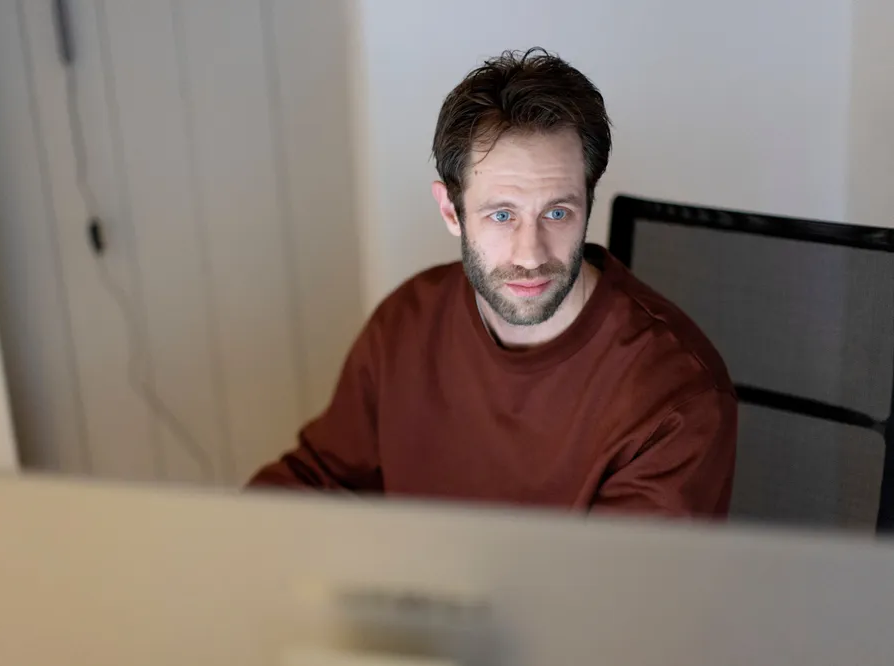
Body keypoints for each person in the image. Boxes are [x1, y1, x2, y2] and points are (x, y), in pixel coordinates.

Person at [250, 47, 737, 517]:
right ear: (451, 211)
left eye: (557, 212)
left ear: (588, 205)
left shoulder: (673, 396)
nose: (531, 255)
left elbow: (617, 577)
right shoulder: (407, 322)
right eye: (502, 215)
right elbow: (317, 479)